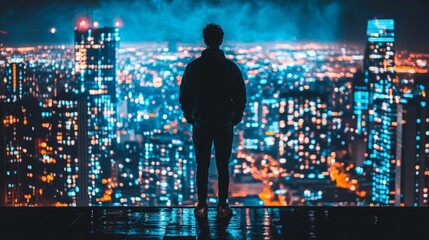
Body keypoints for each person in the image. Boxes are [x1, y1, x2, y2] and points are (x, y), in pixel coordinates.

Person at [179, 23, 246, 218]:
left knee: (202, 165)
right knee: (223, 164)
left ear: (205, 41)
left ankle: (201, 205)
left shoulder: (193, 68)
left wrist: (191, 116)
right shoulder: (231, 68)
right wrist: (234, 117)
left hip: (202, 121)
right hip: (224, 121)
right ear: (221, 41)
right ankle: (223, 205)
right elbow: (241, 96)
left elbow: (184, 97)